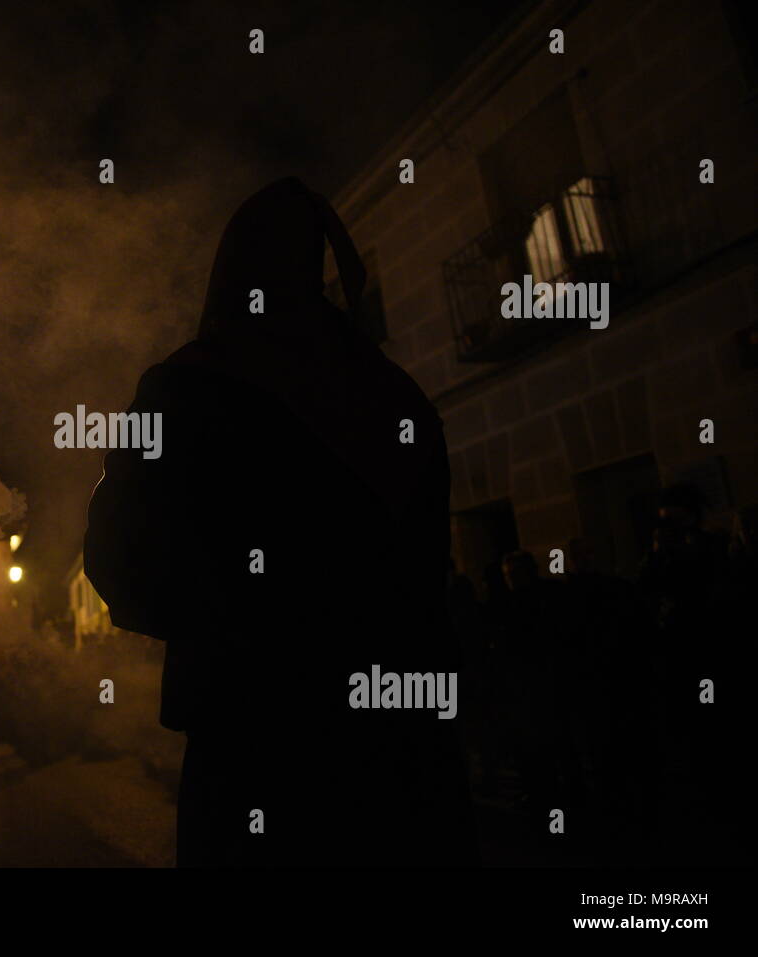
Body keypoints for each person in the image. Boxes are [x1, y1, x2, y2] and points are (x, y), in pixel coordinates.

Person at [84, 177, 475, 867]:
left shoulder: (188, 386)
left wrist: (232, 619)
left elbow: (119, 560)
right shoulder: (399, 397)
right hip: (406, 759)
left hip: (257, 751)